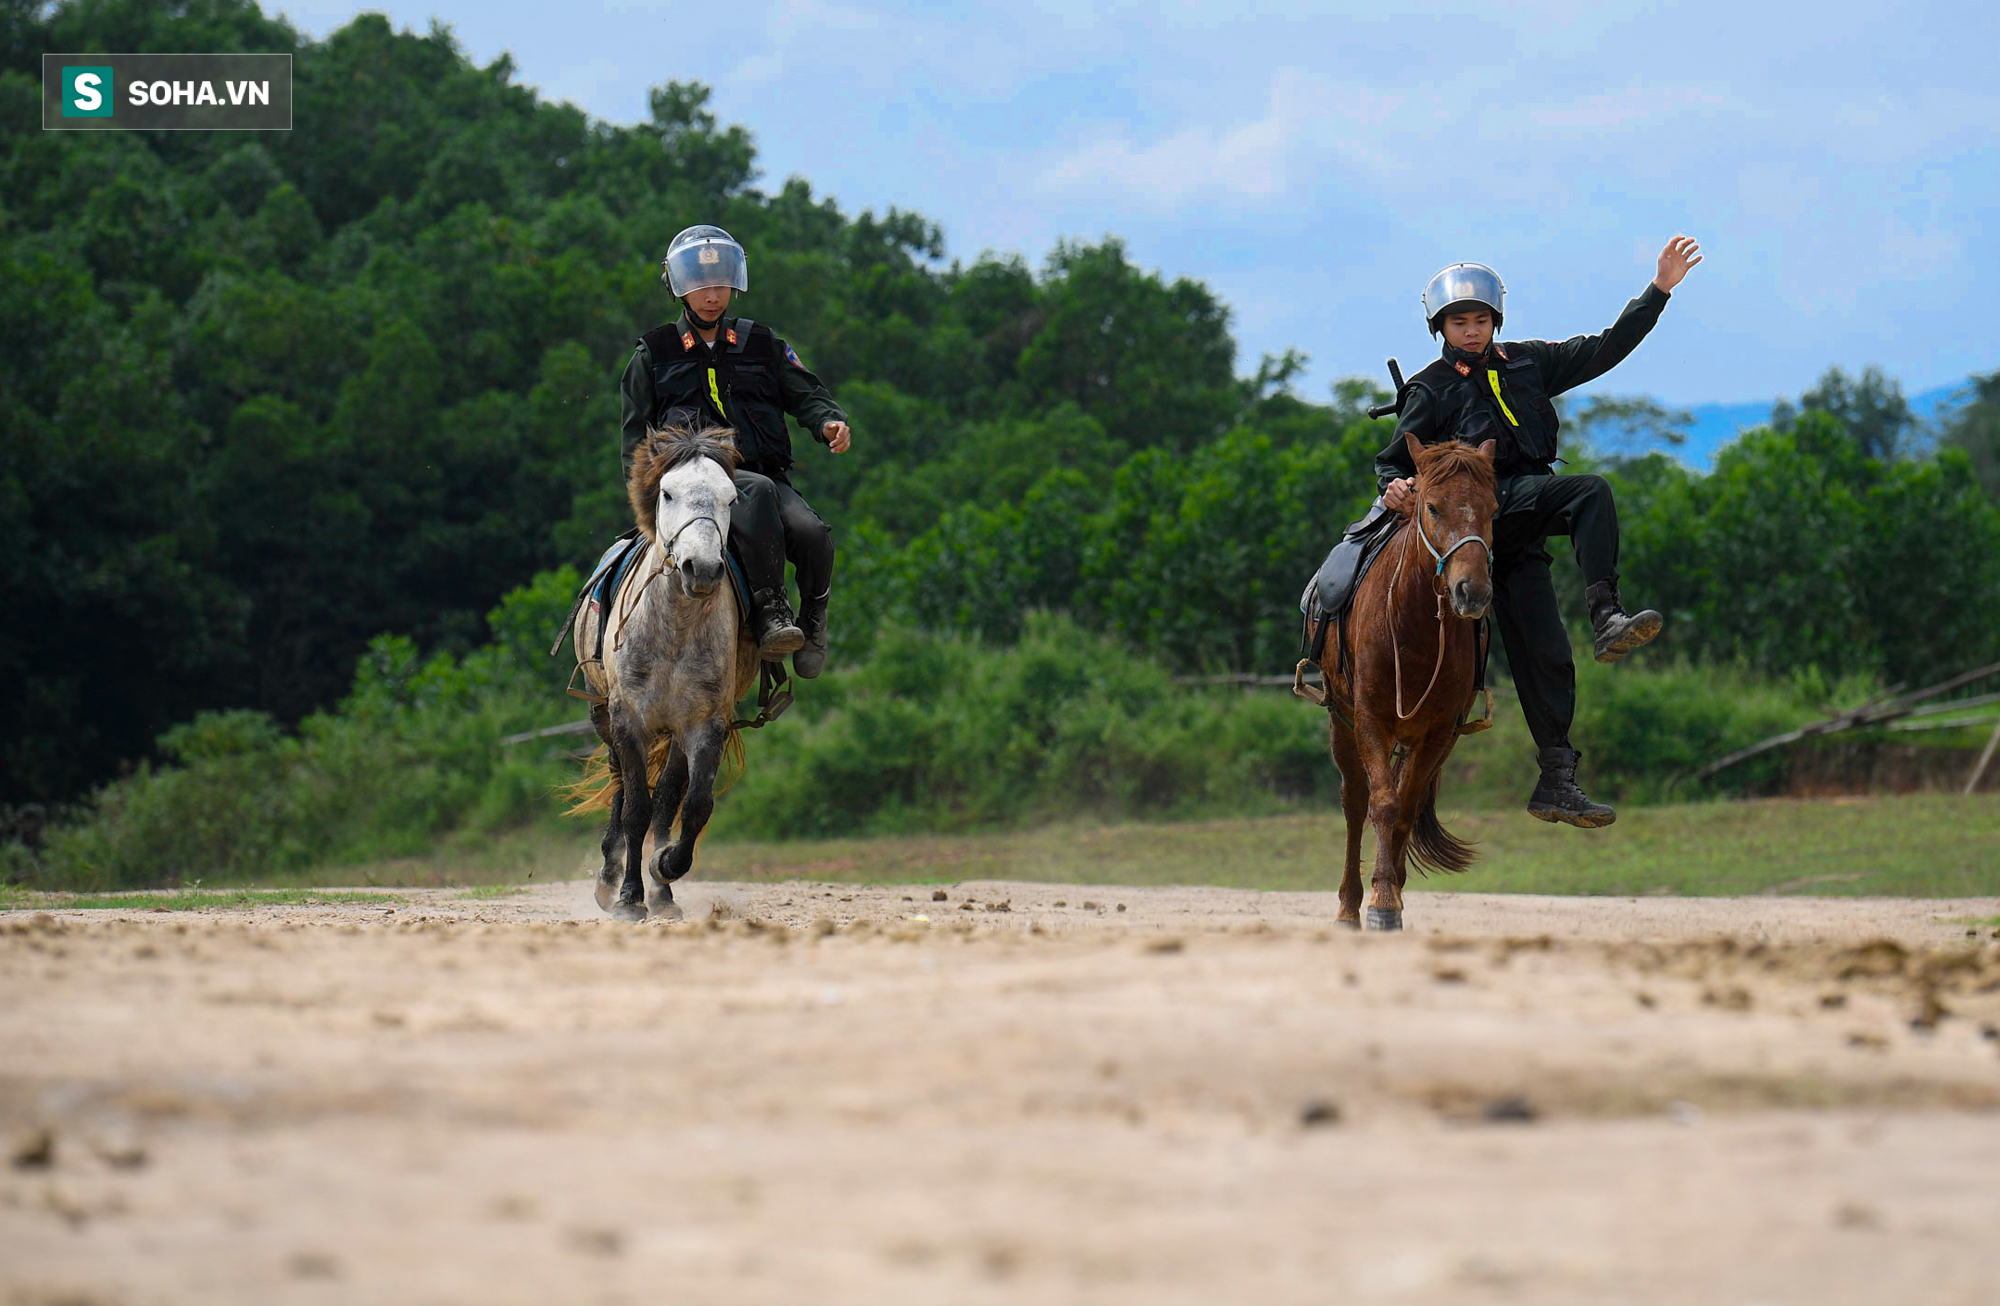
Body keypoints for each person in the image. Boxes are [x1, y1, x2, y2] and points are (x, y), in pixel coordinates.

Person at [1369, 235, 1703, 827]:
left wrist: (1658, 292)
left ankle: (1556, 781)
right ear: (1439, 327)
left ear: (1495, 319)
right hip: (1473, 520)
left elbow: (1605, 348)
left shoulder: (1530, 362)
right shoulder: (1429, 387)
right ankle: (1607, 614)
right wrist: (1392, 486)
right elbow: (1396, 461)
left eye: (1480, 319)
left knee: (1548, 654)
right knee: (1589, 489)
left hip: (1518, 529)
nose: (1471, 330)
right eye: (1458, 321)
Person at [615, 224, 852, 677]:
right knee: (756, 490)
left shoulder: (760, 343)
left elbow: (805, 394)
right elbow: (634, 441)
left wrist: (828, 422)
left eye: (721, 285)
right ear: (680, 289)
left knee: (813, 533)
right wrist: (651, 503)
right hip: (690, 487)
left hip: (767, 474)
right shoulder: (654, 354)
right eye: (702, 287)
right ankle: (770, 611)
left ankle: (813, 619)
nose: (712, 296)